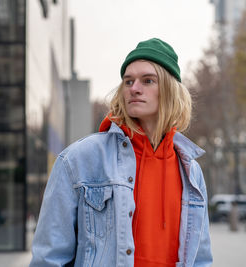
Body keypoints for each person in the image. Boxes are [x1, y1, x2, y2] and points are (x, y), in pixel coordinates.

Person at [29, 38, 213, 267]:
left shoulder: (191, 172)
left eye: (147, 80)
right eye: (128, 81)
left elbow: (200, 260)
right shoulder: (79, 159)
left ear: (169, 90)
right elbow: (49, 258)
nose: (134, 88)